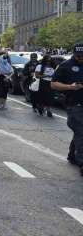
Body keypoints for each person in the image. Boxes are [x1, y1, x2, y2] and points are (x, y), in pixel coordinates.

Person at [51, 42, 83, 176]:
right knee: (81, 131)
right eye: (78, 56)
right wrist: (70, 87)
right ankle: (82, 162)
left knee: (79, 132)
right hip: (74, 104)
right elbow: (53, 84)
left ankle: (72, 154)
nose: (81, 58)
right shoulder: (65, 66)